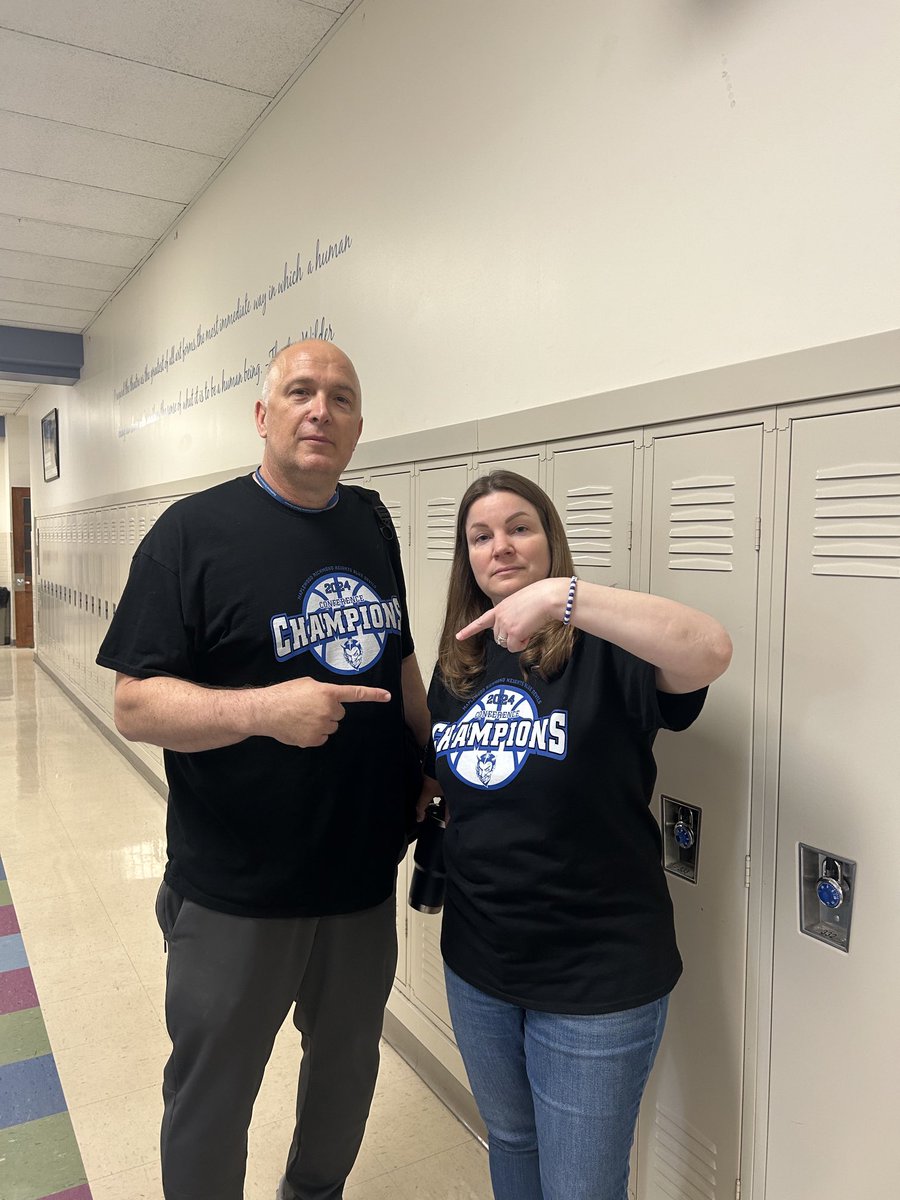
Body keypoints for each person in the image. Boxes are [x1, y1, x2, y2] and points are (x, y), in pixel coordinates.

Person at [97, 339, 435, 1200]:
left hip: (360, 880)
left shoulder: (370, 522)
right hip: (235, 891)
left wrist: (429, 757)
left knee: (347, 1075)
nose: (320, 409)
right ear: (262, 415)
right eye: (300, 391)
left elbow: (398, 664)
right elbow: (135, 705)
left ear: (359, 428)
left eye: (341, 398)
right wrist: (261, 710)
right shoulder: (192, 534)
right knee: (213, 1096)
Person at [425, 470, 733, 1200]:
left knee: (581, 1188)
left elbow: (710, 649)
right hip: (480, 964)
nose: (500, 545)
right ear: (465, 556)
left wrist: (564, 598)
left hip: (595, 975)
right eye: (481, 535)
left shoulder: (609, 645)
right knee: (511, 1142)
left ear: (550, 539)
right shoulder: (460, 663)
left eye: (519, 527)